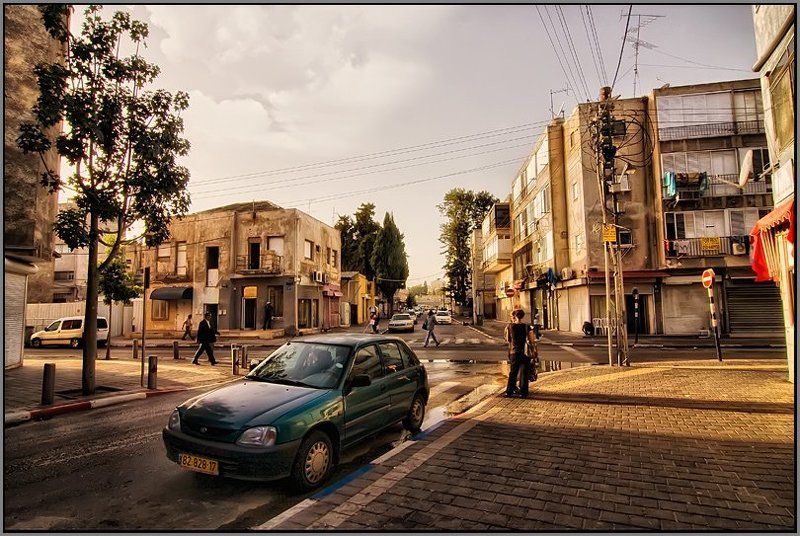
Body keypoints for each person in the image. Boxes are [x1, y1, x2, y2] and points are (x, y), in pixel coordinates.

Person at [504, 308, 536, 398]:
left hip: (514, 352)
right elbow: (532, 340)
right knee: (524, 373)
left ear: (515, 316)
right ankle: (523, 393)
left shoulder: (510, 326)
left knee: (513, 372)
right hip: (525, 353)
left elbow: (507, 339)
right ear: (522, 316)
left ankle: (509, 392)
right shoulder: (527, 327)